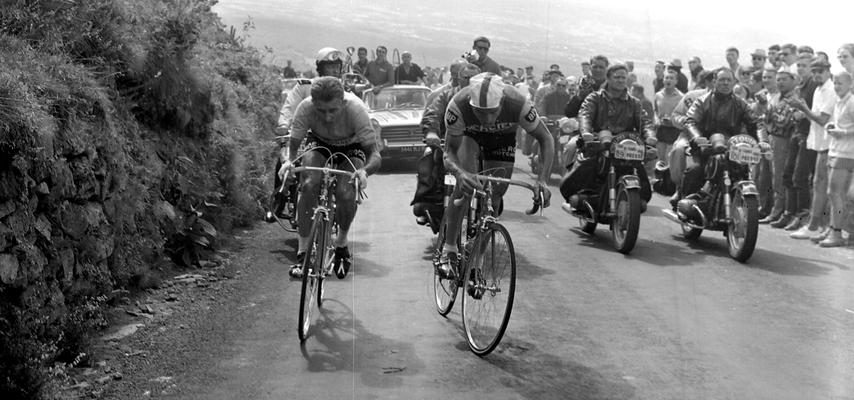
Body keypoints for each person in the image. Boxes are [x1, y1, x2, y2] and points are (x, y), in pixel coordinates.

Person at [435, 73, 554, 277]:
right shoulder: (458, 106)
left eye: (492, 112)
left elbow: (546, 139)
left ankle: (477, 259)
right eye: (480, 113)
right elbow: (449, 152)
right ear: (472, 106)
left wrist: (542, 180)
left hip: (502, 138)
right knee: (466, 185)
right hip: (470, 137)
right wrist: (460, 173)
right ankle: (449, 250)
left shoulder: (518, 103)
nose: (487, 119)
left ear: (502, 102)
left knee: (495, 195)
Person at [278, 77, 381, 279]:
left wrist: (364, 172)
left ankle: (341, 243)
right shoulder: (305, 107)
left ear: (342, 102)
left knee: (345, 191)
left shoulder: (356, 110)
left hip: (353, 147)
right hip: (319, 143)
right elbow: (292, 147)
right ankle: (303, 251)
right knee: (308, 184)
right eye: (321, 111)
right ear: (313, 103)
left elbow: (375, 155)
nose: (327, 117)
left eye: (332, 110)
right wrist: (288, 163)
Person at [559, 64, 657, 207]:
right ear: (609, 79)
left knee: (639, 170)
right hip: (599, 141)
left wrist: (650, 135)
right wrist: (586, 132)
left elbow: (645, 121)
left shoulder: (634, 103)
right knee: (585, 164)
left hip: (625, 145)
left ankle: (637, 197)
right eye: (617, 77)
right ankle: (577, 193)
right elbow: (585, 115)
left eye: (623, 77)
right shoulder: (595, 98)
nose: (620, 80)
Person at [268, 48, 343, 223]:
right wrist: (284, 125)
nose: (334, 70)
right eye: (330, 66)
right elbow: (289, 106)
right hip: (303, 137)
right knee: (285, 160)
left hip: (333, 140)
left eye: (337, 66)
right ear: (321, 67)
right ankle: (278, 200)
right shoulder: (305, 86)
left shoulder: (343, 90)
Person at [677, 68, 768, 204]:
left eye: (728, 80)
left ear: (733, 82)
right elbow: (690, 121)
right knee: (695, 170)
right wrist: (697, 137)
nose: (725, 83)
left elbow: (756, 123)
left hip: (733, 148)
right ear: (714, 82)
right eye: (721, 80)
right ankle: (687, 200)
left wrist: (763, 141)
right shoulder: (702, 101)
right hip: (706, 147)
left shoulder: (741, 104)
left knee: (743, 172)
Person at [412, 63, 481, 225]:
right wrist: (431, 132)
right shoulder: (446, 96)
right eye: (466, 78)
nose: (471, 82)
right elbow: (432, 114)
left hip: (474, 148)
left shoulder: (485, 101)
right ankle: (427, 200)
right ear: (458, 79)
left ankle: (487, 205)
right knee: (429, 158)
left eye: (475, 79)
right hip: (447, 144)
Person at [789, 59, 835, 240]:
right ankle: (818, 225)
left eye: (820, 71)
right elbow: (814, 118)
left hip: (828, 143)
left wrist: (803, 108)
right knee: (819, 184)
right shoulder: (818, 89)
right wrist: (802, 112)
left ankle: (816, 225)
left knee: (822, 184)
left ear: (828, 70)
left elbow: (823, 120)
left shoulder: (830, 90)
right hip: (819, 141)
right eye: (814, 71)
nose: (817, 75)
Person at [756, 70, 802, 227]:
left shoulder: (794, 98)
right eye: (779, 79)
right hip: (772, 137)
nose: (780, 82)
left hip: (784, 139)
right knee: (767, 176)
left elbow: (784, 122)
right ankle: (770, 210)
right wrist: (764, 107)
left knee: (779, 177)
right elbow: (767, 118)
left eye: (784, 79)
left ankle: (778, 212)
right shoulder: (777, 97)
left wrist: (769, 115)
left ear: (792, 80)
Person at [821, 71, 854, 246]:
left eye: (840, 83)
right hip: (835, 150)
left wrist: (842, 132)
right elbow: (841, 123)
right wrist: (831, 126)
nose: (836, 86)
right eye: (835, 83)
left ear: (850, 84)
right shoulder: (839, 102)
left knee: (835, 193)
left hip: (846, 153)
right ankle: (833, 227)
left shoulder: (852, 102)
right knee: (834, 193)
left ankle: (836, 233)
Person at [653, 69, 684, 171]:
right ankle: (660, 182)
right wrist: (656, 119)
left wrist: (673, 120)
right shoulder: (658, 95)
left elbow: (683, 115)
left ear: (676, 81)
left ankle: (670, 182)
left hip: (674, 130)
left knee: (671, 159)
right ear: (663, 80)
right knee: (660, 159)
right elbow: (655, 111)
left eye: (671, 78)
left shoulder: (680, 97)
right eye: (666, 77)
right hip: (661, 130)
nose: (668, 80)